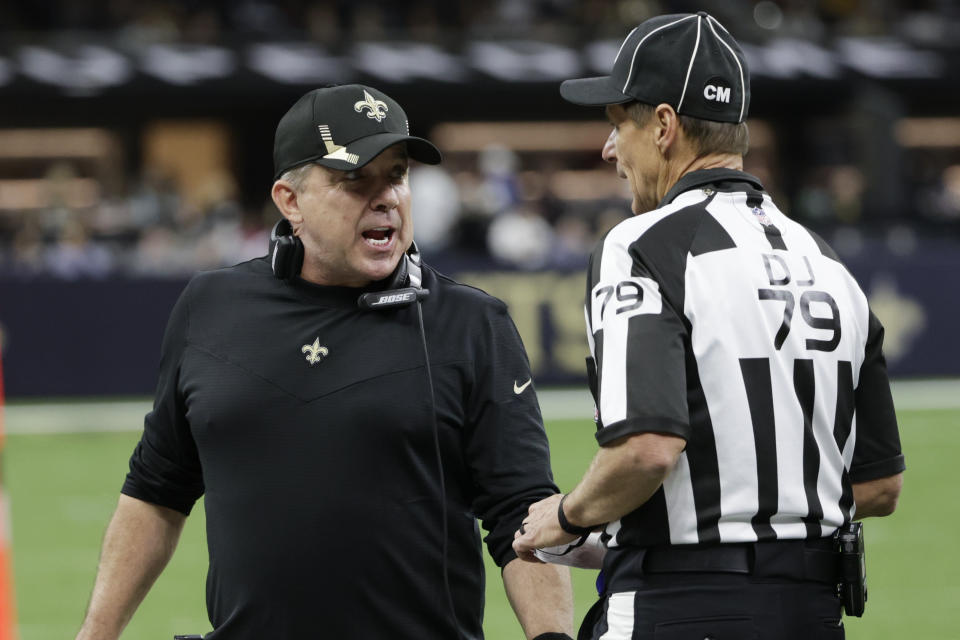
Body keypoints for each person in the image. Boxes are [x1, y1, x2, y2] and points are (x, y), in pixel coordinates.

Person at [76, 84, 574, 640]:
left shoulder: (472, 323)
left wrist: (550, 637)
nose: (386, 197)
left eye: (397, 175)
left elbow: (523, 515)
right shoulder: (210, 307)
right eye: (355, 179)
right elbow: (156, 490)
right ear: (290, 200)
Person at [513, 12, 905, 640]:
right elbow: (880, 484)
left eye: (619, 124)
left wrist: (567, 515)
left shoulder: (639, 245)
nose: (611, 149)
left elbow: (646, 449)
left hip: (679, 605)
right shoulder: (827, 261)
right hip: (812, 612)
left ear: (664, 126)